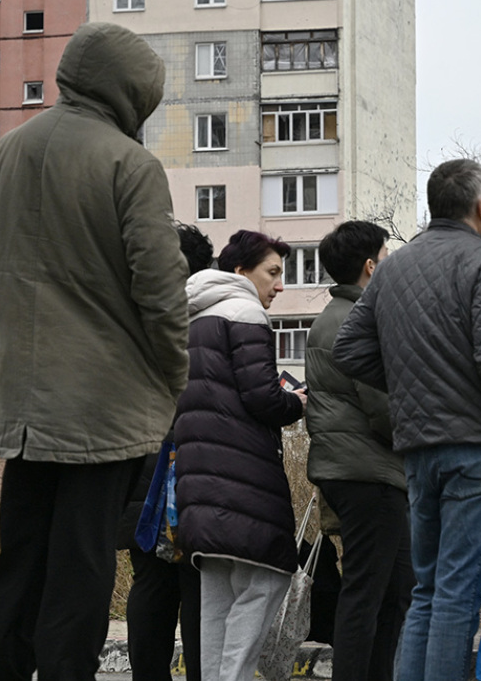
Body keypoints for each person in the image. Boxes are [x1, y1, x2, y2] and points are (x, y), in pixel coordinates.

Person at [0, 22, 189, 681]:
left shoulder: (5, 153)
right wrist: (169, 375)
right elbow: (161, 292)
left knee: (20, 564)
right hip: (104, 412)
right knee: (82, 572)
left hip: (26, 407)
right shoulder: (129, 163)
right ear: (131, 95)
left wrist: (22, 344)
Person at [334, 158, 481, 681]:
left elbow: (349, 348)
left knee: (428, 592)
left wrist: (417, 386)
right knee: (457, 593)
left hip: (417, 449)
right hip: (476, 449)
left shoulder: (392, 268)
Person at [173, 230, 308, 681]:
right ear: (240, 272)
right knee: (267, 578)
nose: (280, 285)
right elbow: (263, 399)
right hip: (244, 477)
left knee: (215, 603)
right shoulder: (244, 310)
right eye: (272, 272)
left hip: (200, 482)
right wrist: (298, 403)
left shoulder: (193, 317)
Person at [306, 220, 412, 681]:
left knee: (396, 586)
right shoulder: (357, 320)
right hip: (367, 471)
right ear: (371, 267)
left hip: (357, 469)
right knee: (368, 591)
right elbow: (383, 406)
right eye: (386, 257)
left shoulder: (334, 317)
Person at [120, 223, 213, 681]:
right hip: (189, 479)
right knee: (197, 591)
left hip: (140, 480)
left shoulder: (132, 322)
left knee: (151, 588)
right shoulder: (202, 325)